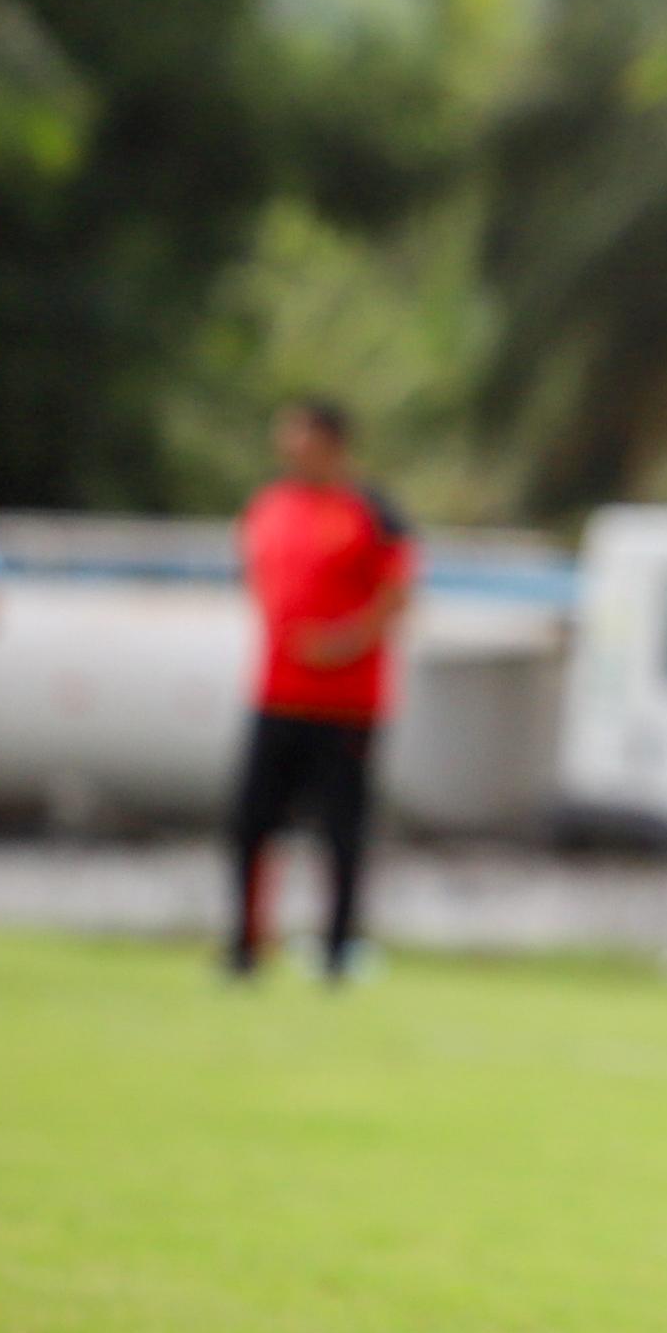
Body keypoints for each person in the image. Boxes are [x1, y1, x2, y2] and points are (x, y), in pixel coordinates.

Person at [227, 400, 418, 983]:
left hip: (348, 703)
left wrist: (346, 640)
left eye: (299, 433)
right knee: (251, 823)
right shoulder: (269, 506)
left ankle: (338, 951)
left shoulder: (372, 509)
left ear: (330, 441)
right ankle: (245, 946)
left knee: (341, 832)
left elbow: (399, 590)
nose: (287, 445)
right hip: (276, 694)